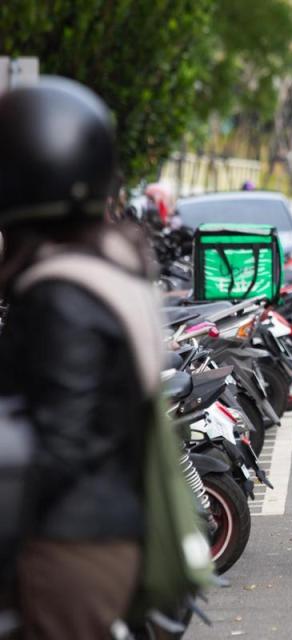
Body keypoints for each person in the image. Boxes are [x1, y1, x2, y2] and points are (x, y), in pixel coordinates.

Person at [0, 77, 161, 639]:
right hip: (100, 533)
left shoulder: (60, 295)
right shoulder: (106, 266)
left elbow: (60, 440)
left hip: (66, 546)